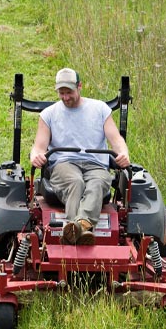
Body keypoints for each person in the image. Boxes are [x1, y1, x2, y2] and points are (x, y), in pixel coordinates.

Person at [30, 68, 130, 245]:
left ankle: (76, 228)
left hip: (96, 164)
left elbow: (116, 140)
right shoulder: (49, 114)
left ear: (80, 86)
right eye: (62, 93)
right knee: (76, 182)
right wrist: (36, 156)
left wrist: (123, 153)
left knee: (98, 183)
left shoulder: (100, 109)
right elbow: (38, 147)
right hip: (64, 164)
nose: (66, 97)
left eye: (69, 92)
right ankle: (82, 228)